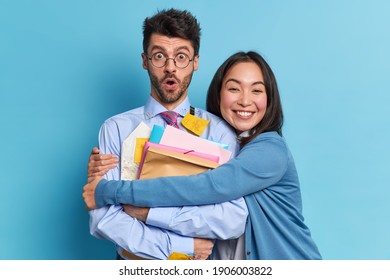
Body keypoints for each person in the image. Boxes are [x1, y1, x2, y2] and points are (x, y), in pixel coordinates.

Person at [84, 51, 322, 259]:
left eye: (257, 90)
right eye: (234, 88)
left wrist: (110, 192)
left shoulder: (270, 150)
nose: (245, 100)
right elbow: (105, 222)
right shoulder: (222, 140)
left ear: (269, 99)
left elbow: (210, 187)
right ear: (219, 94)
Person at [86, 8, 248, 260]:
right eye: (159, 56)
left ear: (195, 62)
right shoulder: (116, 129)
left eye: (181, 56)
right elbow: (104, 218)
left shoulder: (219, 133)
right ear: (145, 60)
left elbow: (232, 219)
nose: (171, 67)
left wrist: (146, 212)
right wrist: (184, 246)